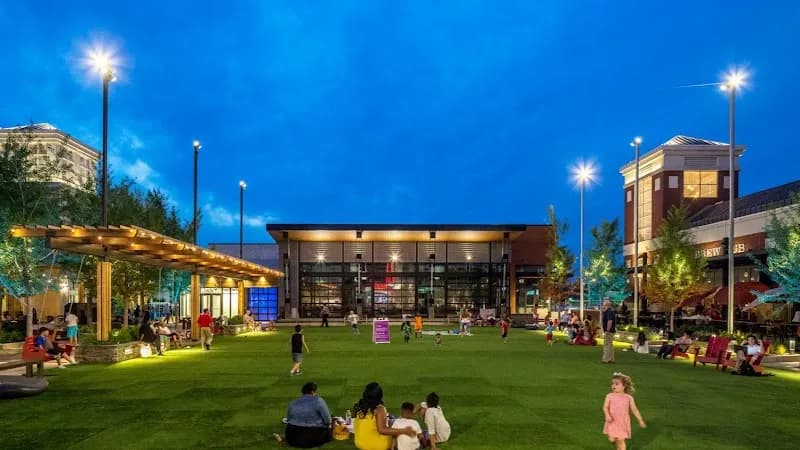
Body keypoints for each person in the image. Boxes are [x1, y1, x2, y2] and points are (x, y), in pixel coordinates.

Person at [353, 382, 415, 450]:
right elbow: (382, 430)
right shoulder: (379, 409)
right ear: (379, 395)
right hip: (377, 444)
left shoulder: (359, 405)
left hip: (359, 442)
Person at [275, 382, 332, 448]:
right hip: (313, 439)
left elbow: (289, 419)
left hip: (291, 438)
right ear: (313, 392)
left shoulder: (294, 402)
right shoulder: (318, 401)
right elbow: (328, 421)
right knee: (330, 428)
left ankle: (283, 437)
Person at [603, 372, 646, 450]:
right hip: (612, 420)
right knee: (612, 439)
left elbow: (634, 410)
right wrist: (607, 415)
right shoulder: (609, 396)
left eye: (616, 384)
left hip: (623, 421)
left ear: (624, 386)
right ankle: (616, 443)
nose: (613, 385)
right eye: (612, 383)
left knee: (621, 440)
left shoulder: (628, 398)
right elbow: (605, 407)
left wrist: (640, 420)